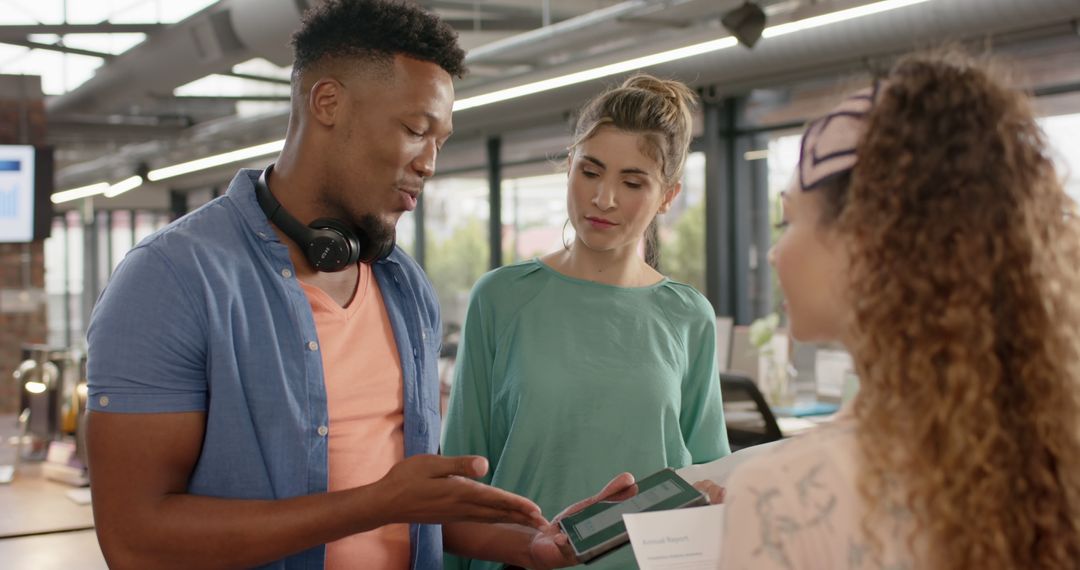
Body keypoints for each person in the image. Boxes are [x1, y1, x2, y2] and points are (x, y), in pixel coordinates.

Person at [85, 1, 633, 568]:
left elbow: (416, 517)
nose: (430, 163)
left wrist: (531, 543)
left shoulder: (403, 284)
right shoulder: (171, 279)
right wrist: (372, 504)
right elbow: (135, 538)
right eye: (416, 130)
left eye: (439, 140)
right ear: (328, 102)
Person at [721, 52, 1080, 569]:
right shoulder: (1052, 455)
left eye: (787, 221)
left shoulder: (782, 497)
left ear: (866, 243)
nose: (776, 252)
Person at [442, 74, 732, 570]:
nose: (604, 199)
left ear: (668, 195)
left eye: (633, 181)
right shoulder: (502, 299)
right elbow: (462, 488)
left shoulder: (688, 316)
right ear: (568, 167)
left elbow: (707, 484)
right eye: (590, 172)